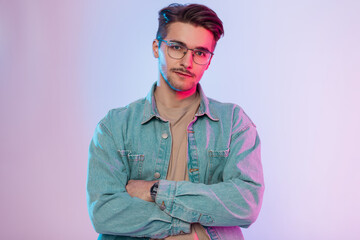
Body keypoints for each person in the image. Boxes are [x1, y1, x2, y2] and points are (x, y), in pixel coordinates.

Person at [87, 3, 264, 240]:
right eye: (177, 47)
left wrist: (156, 191)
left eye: (199, 53)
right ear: (156, 47)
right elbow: (104, 212)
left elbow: (246, 204)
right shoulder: (115, 126)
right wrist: (186, 223)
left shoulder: (233, 123)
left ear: (209, 60)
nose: (187, 62)